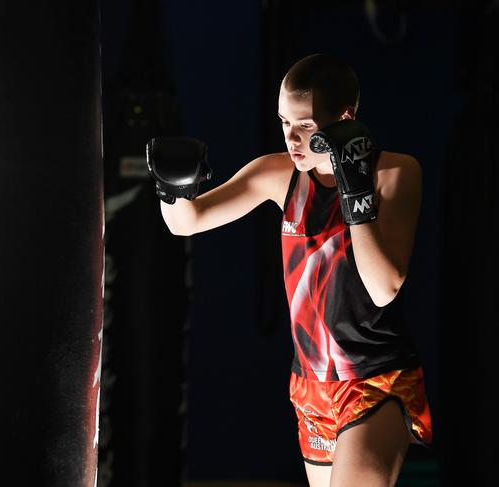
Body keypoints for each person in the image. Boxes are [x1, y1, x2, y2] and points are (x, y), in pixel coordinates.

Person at [146, 53, 432, 487]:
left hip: (375, 382)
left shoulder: (393, 172)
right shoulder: (278, 175)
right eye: (284, 123)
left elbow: (383, 288)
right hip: (309, 385)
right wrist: (173, 187)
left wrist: (355, 193)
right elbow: (188, 223)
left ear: (345, 117)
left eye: (306, 126)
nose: (292, 139)